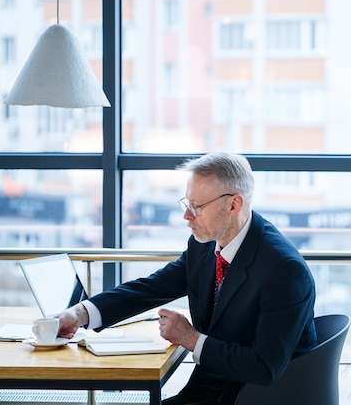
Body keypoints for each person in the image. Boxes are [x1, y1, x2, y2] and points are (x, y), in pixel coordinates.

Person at [56, 151, 317, 405]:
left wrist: (191, 338)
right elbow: (151, 288)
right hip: (210, 389)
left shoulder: (284, 270)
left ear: (233, 204)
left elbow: (263, 368)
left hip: (251, 396)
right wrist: (80, 313)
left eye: (197, 206)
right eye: (187, 203)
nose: (187, 215)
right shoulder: (204, 245)